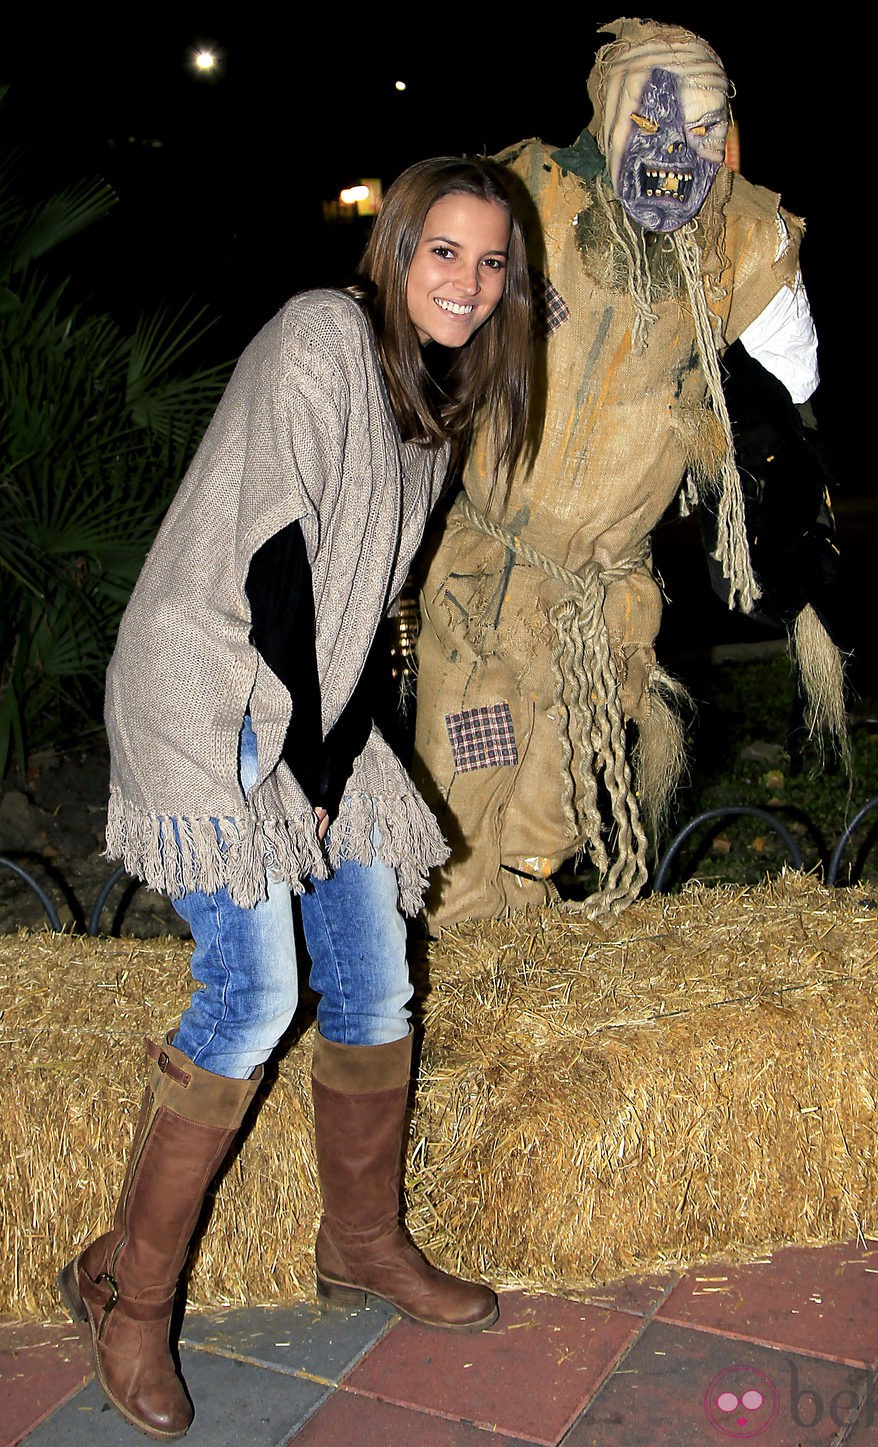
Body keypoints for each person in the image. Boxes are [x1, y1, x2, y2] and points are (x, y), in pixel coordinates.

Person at [57, 155, 532, 1441]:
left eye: (492, 263)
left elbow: (360, 604)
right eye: (444, 251)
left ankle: (361, 1244)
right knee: (256, 988)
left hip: (309, 701)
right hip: (209, 679)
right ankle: (132, 1301)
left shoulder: (435, 403)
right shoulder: (326, 331)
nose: (468, 282)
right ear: (397, 253)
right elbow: (275, 559)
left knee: (373, 975)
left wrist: (337, 763)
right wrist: (308, 779)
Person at [413, 18, 846, 933]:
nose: (671, 155)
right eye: (651, 126)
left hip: (606, 599)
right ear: (606, 117)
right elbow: (424, 302)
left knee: (555, 802)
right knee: (460, 795)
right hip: (489, 588)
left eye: (698, 131)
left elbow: (797, 379)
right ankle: (442, 979)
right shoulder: (526, 199)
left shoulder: (734, 243)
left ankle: (518, 970)